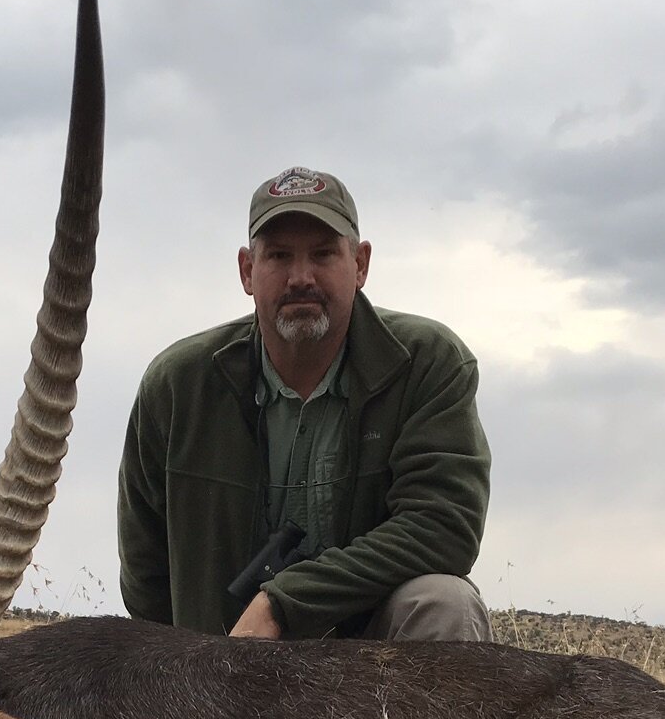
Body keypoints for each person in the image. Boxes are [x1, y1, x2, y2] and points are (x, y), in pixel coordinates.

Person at [117, 166, 493, 641]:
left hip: (372, 663)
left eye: (322, 254)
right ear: (247, 271)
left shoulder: (429, 363)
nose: (301, 277)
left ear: (360, 265)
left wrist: (281, 604)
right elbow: (145, 574)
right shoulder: (176, 386)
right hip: (221, 663)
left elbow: (444, 528)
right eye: (278, 256)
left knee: (445, 605)